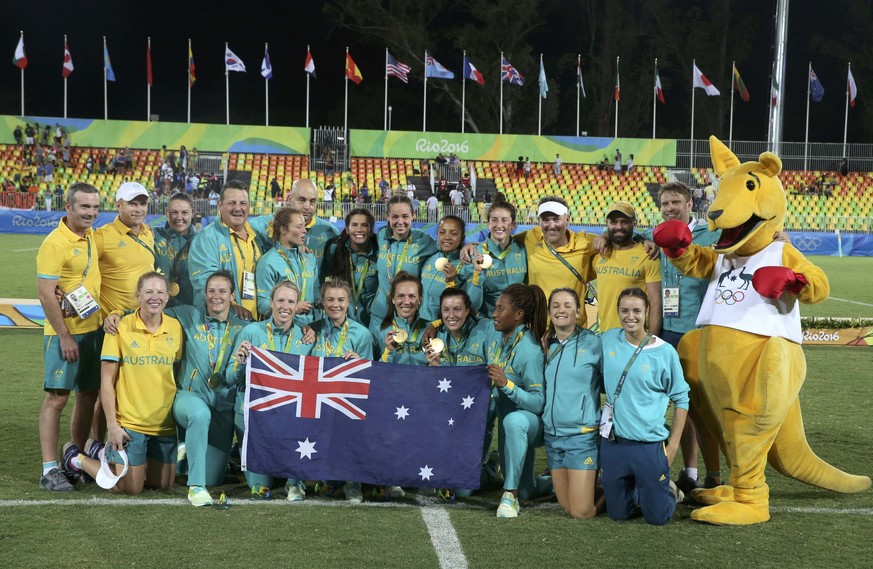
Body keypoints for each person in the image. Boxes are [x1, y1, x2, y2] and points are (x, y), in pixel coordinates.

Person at [103, 270, 247, 505]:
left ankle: (184, 458)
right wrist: (116, 314)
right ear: (204, 294)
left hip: (222, 404)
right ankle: (196, 487)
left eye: (223, 291)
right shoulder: (187, 316)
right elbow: (148, 312)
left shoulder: (244, 327)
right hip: (189, 397)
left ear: (232, 295)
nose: (216, 296)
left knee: (214, 477)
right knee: (199, 415)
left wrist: (309, 327)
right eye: (211, 291)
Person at [62, 272, 183, 496]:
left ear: (167, 297)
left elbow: (176, 372)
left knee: (163, 485)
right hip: (130, 425)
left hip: (164, 424)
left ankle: (99, 451)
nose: (154, 297)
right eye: (148, 292)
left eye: (159, 292)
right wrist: (113, 426)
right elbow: (106, 381)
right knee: (131, 488)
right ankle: (76, 458)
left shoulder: (175, 328)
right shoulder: (119, 328)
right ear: (137, 296)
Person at [644, 182, 722, 492]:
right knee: (679, 404)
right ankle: (689, 473)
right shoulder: (659, 235)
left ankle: (714, 473)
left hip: (699, 333)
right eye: (665, 203)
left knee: (702, 407)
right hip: (667, 332)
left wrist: (777, 237)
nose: (670, 207)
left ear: (690, 204)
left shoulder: (710, 234)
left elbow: (746, 244)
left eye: (676, 201)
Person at [599, 287, 689, 525]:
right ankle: (643, 487)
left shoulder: (664, 352)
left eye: (637, 310)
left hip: (649, 445)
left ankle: (670, 490)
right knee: (618, 514)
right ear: (618, 312)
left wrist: (673, 446)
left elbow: (682, 399)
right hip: (614, 443)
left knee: (657, 518)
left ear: (647, 311)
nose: (631, 316)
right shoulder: (608, 339)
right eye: (625, 310)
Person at [36, 182, 103, 492]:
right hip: (65, 335)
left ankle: (73, 458)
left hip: (92, 331)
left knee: (88, 394)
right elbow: (46, 294)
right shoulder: (55, 243)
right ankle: (49, 469)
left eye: (94, 206)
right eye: (84, 207)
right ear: (69, 207)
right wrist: (64, 336)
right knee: (57, 399)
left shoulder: (90, 236)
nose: (90, 212)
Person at [226, 281, 312, 500]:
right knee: (261, 489)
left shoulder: (306, 338)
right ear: (271, 303)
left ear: (296, 305)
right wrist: (239, 362)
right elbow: (229, 378)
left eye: (291, 301)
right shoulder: (251, 332)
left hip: (289, 416)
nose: (285, 306)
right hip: (253, 414)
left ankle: (294, 481)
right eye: (280, 300)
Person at [485, 284, 552, 518]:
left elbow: (538, 403)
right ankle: (554, 481)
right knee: (528, 491)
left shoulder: (530, 350)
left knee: (513, 421)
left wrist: (506, 385)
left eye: (501, 309)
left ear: (518, 315)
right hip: (508, 424)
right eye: (495, 307)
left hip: (529, 423)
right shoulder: (496, 334)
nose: (495, 313)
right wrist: (435, 325)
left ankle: (509, 495)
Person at [308, 278, 375, 503]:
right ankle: (320, 479)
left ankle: (352, 483)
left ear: (349, 302)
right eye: (330, 300)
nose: (335, 305)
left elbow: (370, 376)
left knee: (350, 430)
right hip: (319, 400)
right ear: (322, 302)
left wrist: (359, 363)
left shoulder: (361, 334)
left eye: (340, 300)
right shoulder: (312, 330)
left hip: (347, 401)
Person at [542, 288, 604, 519]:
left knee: (581, 512)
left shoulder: (594, 343)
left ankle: (624, 491)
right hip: (553, 436)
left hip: (582, 436)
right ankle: (597, 491)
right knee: (567, 507)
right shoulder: (546, 344)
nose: (561, 310)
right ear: (549, 312)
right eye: (556, 305)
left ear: (579, 312)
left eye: (568, 305)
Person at [188, 180, 261, 320]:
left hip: (256, 323)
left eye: (243, 203)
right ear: (220, 205)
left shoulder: (256, 236)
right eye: (232, 203)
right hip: (223, 323)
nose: (238, 208)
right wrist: (232, 306)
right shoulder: (206, 239)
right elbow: (204, 281)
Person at [588, 202, 662, 335]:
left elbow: (655, 303)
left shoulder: (648, 255)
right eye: (614, 222)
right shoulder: (599, 254)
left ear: (634, 223)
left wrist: (651, 339)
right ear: (607, 224)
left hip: (635, 336)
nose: (618, 227)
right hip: (605, 334)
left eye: (624, 222)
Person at [368, 196, 437, 328]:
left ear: (413, 216)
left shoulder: (423, 241)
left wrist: (470, 247)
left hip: (407, 318)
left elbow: (448, 251)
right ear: (387, 216)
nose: (400, 222)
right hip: (379, 316)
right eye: (395, 217)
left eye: (405, 216)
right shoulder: (381, 236)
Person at [95, 182, 156, 318]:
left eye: (143, 204)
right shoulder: (102, 236)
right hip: (113, 324)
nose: (139, 209)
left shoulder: (148, 234)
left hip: (143, 320)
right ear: (118, 205)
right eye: (133, 204)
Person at [255, 207, 318, 325]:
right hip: (281, 330)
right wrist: (291, 307)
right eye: (299, 227)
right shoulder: (268, 262)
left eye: (304, 226)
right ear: (283, 229)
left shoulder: (310, 258)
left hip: (310, 331)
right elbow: (262, 304)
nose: (304, 231)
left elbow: (317, 296)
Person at [466, 201, 527, 317]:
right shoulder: (474, 254)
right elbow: (472, 306)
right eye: (494, 220)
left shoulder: (523, 250)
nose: (499, 225)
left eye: (504, 220)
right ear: (488, 224)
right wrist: (477, 273)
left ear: (513, 225)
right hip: (488, 324)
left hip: (518, 323)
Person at [320, 209, 378, 327]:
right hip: (341, 319)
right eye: (354, 225)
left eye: (364, 225)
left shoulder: (380, 254)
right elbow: (324, 281)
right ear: (347, 229)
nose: (359, 229)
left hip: (372, 321)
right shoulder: (335, 250)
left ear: (371, 230)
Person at [420, 215, 474, 321]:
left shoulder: (467, 265)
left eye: (453, 233)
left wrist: (452, 282)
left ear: (462, 237)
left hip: (445, 327)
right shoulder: (430, 259)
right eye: (442, 232)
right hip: (421, 325)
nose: (447, 237)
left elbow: (469, 304)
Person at [374, 272, 430, 371]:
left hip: (424, 385)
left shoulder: (430, 329)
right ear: (393, 299)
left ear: (419, 300)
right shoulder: (380, 331)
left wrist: (435, 364)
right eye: (400, 296)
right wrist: (389, 351)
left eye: (412, 296)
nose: (406, 301)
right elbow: (375, 372)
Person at [153, 192, 197, 307]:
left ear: (192, 213)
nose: (179, 217)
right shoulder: (153, 235)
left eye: (185, 213)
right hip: (158, 308)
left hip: (189, 310)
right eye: (174, 212)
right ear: (166, 212)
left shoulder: (201, 241)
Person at [285, 178, 340, 263]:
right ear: (290, 200)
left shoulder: (331, 233)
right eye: (302, 200)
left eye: (312, 201)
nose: (307, 206)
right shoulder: (273, 228)